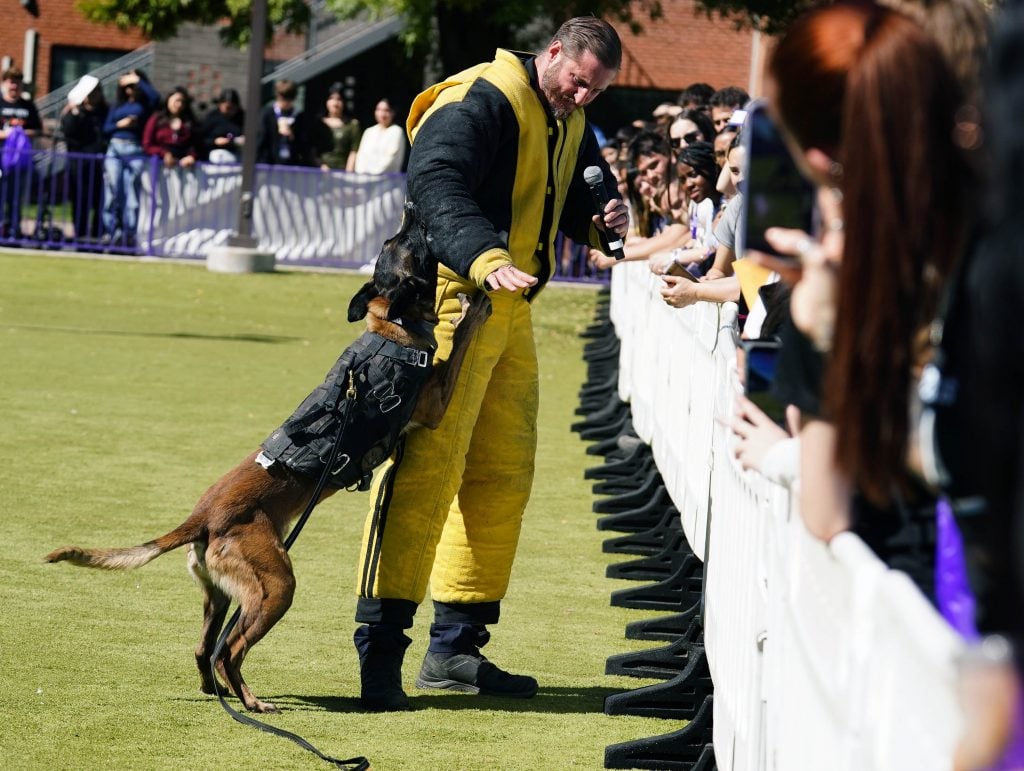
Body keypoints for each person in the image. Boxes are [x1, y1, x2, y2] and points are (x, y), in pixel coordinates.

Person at [352, 16, 627, 712]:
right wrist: (484, 254)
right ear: (554, 52)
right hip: (449, 303)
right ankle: (381, 652)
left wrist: (604, 218)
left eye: (596, 91)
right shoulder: (481, 95)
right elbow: (436, 180)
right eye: (578, 81)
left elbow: (569, 191)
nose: (583, 98)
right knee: (424, 475)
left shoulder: (564, 111)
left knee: (502, 476)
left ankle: (456, 649)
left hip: (510, 306)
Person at [750, 1, 972, 596]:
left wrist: (825, 337)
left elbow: (827, 510)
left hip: (937, 609)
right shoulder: (975, 222)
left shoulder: (856, 280)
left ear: (817, 156)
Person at [102, 69, 159, 248]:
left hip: (135, 149)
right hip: (115, 148)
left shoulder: (145, 104)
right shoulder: (117, 105)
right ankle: (112, 231)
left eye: (133, 86)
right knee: (113, 190)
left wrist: (138, 79)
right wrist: (120, 124)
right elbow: (106, 128)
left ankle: (130, 233)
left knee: (132, 193)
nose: (130, 89)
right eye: (127, 86)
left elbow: (156, 98)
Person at [60, 75, 108, 243]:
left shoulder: (104, 113)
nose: (95, 96)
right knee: (80, 199)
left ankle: (96, 236)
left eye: (97, 92)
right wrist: (74, 112)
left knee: (99, 200)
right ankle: (80, 236)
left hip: (99, 164)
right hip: (78, 164)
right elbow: (68, 131)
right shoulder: (74, 112)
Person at [0, 67, 41, 239]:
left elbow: (37, 129)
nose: (14, 86)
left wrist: (21, 133)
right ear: (4, 83)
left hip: (20, 160)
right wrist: (6, 134)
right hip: (1, 157)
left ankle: (13, 229)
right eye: (11, 82)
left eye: (17, 82)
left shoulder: (27, 105)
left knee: (15, 196)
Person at [256, 79, 315, 166]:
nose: (286, 102)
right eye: (283, 98)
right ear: (277, 96)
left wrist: (292, 135)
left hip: (291, 165)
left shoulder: (299, 117)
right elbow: (260, 140)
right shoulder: (267, 114)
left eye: (290, 98)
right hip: (269, 164)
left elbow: (305, 146)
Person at [143, 86, 200, 168]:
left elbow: (196, 145)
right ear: (169, 100)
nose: (179, 105)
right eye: (177, 100)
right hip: (159, 165)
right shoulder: (157, 119)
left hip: (183, 167)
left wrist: (192, 156)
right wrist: (164, 153)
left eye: (182, 102)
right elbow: (147, 144)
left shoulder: (189, 122)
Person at [353, 98, 406, 174]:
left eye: (386, 110)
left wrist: (374, 174)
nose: (382, 114)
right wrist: (361, 174)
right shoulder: (369, 131)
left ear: (393, 112)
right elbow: (361, 156)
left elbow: (391, 158)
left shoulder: (397, 131)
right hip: (364, 178)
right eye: (379, 110)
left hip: (387, 179)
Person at [198, 88, 244, 164]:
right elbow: (200, 139)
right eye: (227, 107)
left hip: (238, 153)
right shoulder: (212, 117)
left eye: (233, 107)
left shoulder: (242, 117)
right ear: (220, 105)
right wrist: (214, 141)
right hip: (216, 153)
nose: (230, 110)